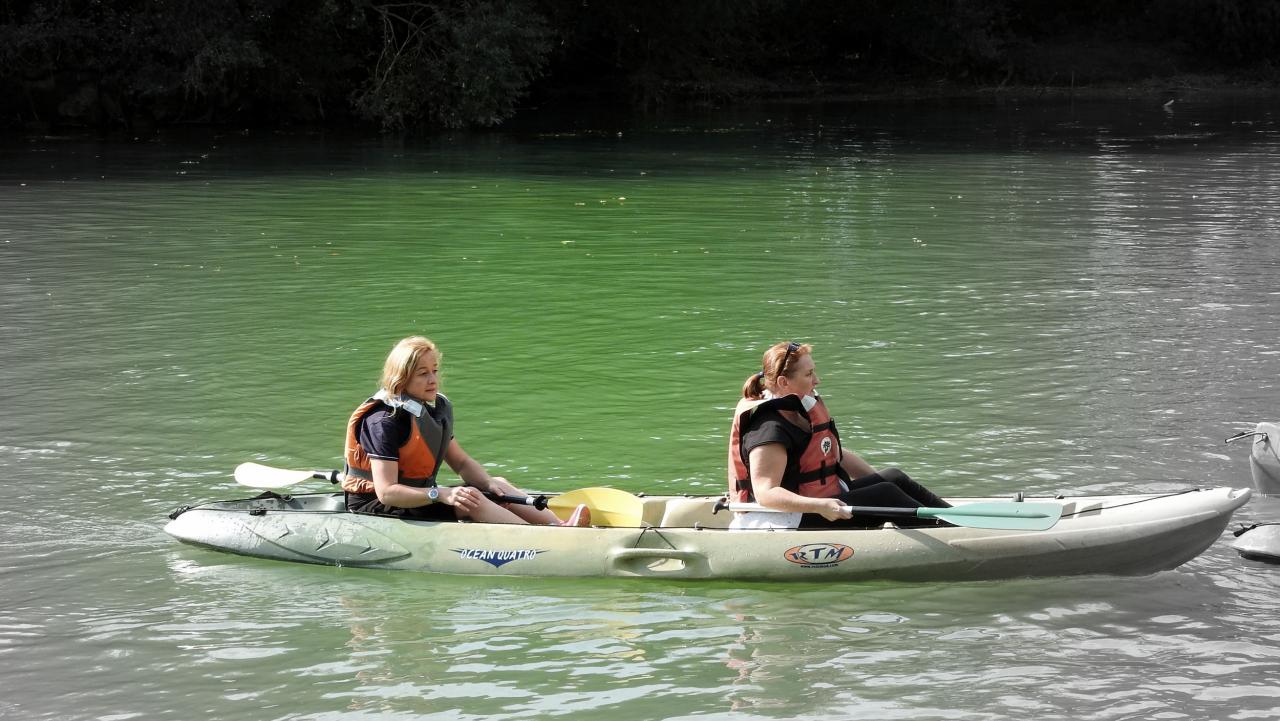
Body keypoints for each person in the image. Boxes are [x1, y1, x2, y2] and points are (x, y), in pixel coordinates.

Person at [343, 336, 590, 526]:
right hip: (374, 505)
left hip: (420, 497)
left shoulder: (426, 413)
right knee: (470, 497)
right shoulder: (383, 422)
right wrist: (441, 494)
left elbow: (460, 462)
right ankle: (545, 539)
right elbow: (387, 493)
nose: (433, 380)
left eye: (435, 371)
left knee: (497, 485)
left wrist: (489, 483)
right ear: (401, 380)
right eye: (423, 374)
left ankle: (558, 526)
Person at [727, 341, 950, 529]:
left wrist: (875, 483)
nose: (817, 380)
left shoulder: (798, 411)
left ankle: (956, 520)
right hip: (787, 516)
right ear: (784, 382)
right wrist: (820, 506)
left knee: (892, 478)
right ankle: (951, 535)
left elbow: (835, 455)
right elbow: (766, 493)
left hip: (818, 500)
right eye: (809, 374)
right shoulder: (769, 429)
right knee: (885, 494)